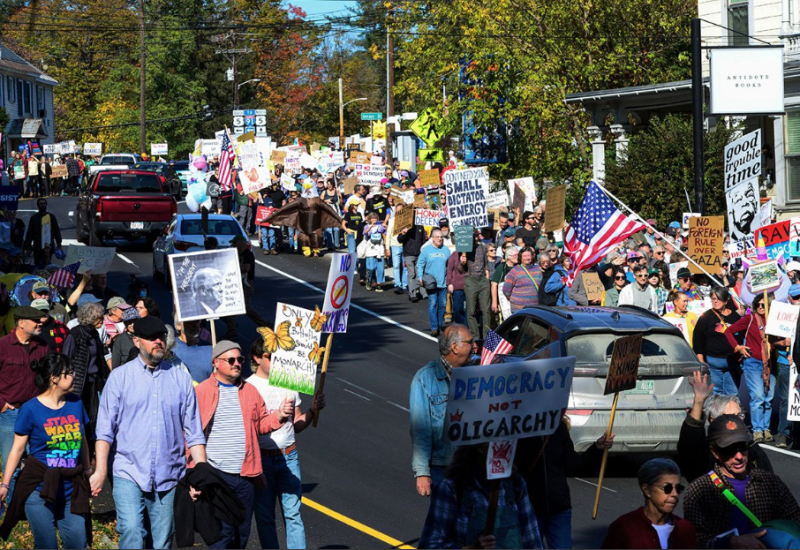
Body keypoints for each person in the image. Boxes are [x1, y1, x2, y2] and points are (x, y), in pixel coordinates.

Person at [90, 317, 208, 550]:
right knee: (132, 530)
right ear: (136, 341)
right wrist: (101, 470)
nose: (158, 341)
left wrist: (201, 476)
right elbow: (105, 431)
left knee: (162, 541)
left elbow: (194, 432)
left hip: (169, 475)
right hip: (129, 471)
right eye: (152, 338)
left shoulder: (180, 377)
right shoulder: (120, 378)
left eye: (162, 337)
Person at [192, 340, 294, 549]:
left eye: (240, 359)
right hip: (217, 474)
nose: (237, 363)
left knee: (241, 534)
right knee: (222, 535)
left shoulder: (250, 391)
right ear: (216, 363)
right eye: (231, 360)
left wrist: (281, 415)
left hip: (246, 476)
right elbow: (191, 435)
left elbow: (262, 424)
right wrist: (193, 474)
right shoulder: (201, 392)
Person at [0, 354, 91, 549]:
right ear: (55, 378)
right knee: (46, 545)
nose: (74, 376)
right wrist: (5, 484)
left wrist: (88, 471)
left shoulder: (76, 403)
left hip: (70, 489)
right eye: (70, 373)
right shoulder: (30, 409)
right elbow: (17, 449)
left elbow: (82, 439)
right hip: (38, 487)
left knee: (78, 543)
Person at [248, 338, 326, 550]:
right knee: (265, 516)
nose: (276, 360)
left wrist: (312, 411)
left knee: (293, 514)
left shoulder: (288, 380)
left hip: (289, 456)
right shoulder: (248, 387)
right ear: (257, 358)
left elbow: (298, 424)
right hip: (262, 459)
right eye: (270, 356)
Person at [683, 414, 800, 549]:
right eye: (729, 450)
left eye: (743, 447)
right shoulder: (699, 490)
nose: (739, 456)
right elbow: (693, 541)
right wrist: (729, 542)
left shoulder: (770, 482)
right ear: (715, 452)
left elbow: (795, 521)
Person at [418, 443, 543, 549]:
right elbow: (429, 545)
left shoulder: (516, 485)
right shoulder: (452, 489)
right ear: (480, 446)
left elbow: (533, 541)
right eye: (497, 439)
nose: (506, 445)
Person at [516, 417, 613, 549]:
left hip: (559, 508)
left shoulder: (559, 428)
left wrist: (597, 448)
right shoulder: (517, 430)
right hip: (529, 509)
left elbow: (573, 466)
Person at [410, 325, 473, 497]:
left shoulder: (475, 376)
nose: (475, 347)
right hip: (442, 468)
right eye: (470, 342)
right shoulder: (424, 379)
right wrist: (422, 472)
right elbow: (420, 430)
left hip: (471, 466)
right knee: (445, 520)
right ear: (455, 347)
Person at [677, 372, 772, 484]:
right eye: (732, 417)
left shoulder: (751, 447)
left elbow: (770, 481)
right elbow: (690, 445)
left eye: (739, 415)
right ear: (713, 420)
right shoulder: (705, 453)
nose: (739, 457)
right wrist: (699, 401)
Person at [0, 305, 51, 501]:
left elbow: (50, 377)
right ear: (21, 323)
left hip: (37, 414)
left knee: (38, 461)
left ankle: (36, 505)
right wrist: (2, 404)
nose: (40, 323)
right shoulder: (3, 345)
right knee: (10, 466)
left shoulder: (44, 346)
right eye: (36, 320)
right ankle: (11, 507)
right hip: (11, 414)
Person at [601, 459, 696, 549]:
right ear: (647, 490)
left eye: (678, 488)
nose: (675, 494)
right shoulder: (623, 528)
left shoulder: (686, 529)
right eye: (667, 488)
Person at [723, 294, 776, 443]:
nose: (760, 307)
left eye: (763, 305)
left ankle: (766, 428)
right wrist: (737, 347)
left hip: (771, 363)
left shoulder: (774, 320)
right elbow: (728, 331)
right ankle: (757, 430)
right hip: (753, 362)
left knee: (769, 397)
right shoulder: (750, 318)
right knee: (758, 396)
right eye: (757, 305)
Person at [61, 302, 110, 445]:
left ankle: (90, 451)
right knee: (77, 419)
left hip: (93, 383)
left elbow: (100, 357)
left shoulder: (94, 333)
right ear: (89, 319)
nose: (102, 320)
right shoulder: (75, 334)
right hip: (78, 385)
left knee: (93, 418)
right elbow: (66, 359)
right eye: (99, 318)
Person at [693, 286, 741, 396]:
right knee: (716, 392)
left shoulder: (735, 317)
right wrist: (701, 362)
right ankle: (716, 414)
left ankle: (731, 413)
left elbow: (740, 337)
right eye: (713, 299)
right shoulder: (706, 317)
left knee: (732, 393)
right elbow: (698, 339)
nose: (715, 301)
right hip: (713, 362)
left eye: (718, 298)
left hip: (731, 362)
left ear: (726, 300)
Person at [459, 231, 492, 339]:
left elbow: (486, 263)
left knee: (486, 310)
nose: (473, 238)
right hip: (471, 280)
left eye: (474, 236)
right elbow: (460, 270)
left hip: (482, 279)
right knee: (471, 311)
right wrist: (462, 263)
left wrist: (487, 276)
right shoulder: (463, 250)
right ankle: (475, 336)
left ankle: (486, 335)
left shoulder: (482, 247)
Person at [417, 228, 450, 337]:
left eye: (441, 237)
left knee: (442, 305)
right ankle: (434, 327)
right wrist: (420, 277)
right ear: (432, 239)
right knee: (432, 303)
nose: (440, 239)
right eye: (437, 237)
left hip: (443, 282)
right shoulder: (426, 250)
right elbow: (420, 264)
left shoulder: (446, 250)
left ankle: (439, 324)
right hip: (431, 282)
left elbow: (449, 266)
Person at [24, 198, 62, 268]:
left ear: (46, 205)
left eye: (44, 203)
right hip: (37, 247)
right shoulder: (34, 218)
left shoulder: (51, 217)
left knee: (48, 265)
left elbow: (56, 231)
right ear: (38, 205)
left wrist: (59, 244)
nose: (43, 205)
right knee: (38, 265)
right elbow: (29, 233)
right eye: (41, 204)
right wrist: (28, 247)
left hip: (49, 246)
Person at [173, 319, 213, 384]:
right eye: (189, 321)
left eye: (197, 320)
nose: (195, 324)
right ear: (178, 325)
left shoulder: (210, 349)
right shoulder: (170, 349)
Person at [399, 222, 426, 303]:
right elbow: (399, 239)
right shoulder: (405, 226)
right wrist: (403, 233)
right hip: (408, 253)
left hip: (419, 253)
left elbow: (423, 240)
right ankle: (412, 294)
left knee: (420, 273)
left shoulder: (420, 226)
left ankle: (423, 292)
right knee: (411, 274)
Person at [491, 245, 518, 323]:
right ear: (508, 257)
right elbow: (494, 284)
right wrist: (494, 302)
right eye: (515, 255)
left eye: (517, 255)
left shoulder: (520, 267)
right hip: (505, 302)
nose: (517, 257)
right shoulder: (501, 268)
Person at [363, 212, 387, 292]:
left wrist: (385, 226)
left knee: (380, 268)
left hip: (379, 249)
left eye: (375, 218)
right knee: (371, 267)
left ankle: (379, 284)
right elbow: (365, 233)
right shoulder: (367, 226)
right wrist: (371, 227)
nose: (374, 220)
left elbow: (387, 233)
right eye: (372, 218)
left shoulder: (380, 226)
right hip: (371, 249)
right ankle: (369, 279)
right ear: (370, 219)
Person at [446, 250, 467, 326]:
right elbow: (449, 269)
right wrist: (449, 283)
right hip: (457, 285)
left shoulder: (471, 254)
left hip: (469, 285)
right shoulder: (455, 254)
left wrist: (465, 262)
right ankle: (459, 326)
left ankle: (467, 327)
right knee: (457, 308)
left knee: (469, 310)